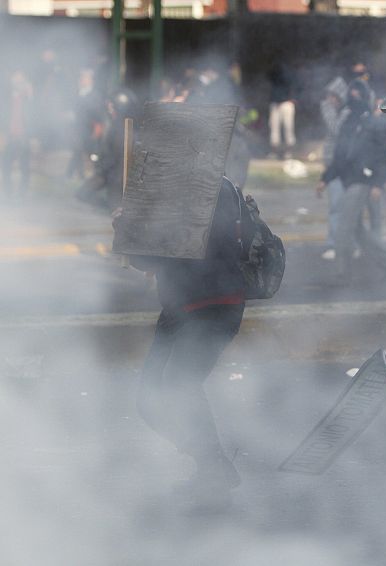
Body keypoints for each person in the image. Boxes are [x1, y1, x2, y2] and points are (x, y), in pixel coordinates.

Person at [112, 176, 246, 508]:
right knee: (151, 397)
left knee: (176, 385)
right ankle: (210, 462)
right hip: (183, 305)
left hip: (208, 305)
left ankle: (212, 467)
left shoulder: (192, 187)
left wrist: (128, 229)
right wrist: (130, 227)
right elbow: (154, 257)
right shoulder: (218, 183)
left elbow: (154, 256)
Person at [317, 79, 386, 285]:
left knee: (343, 228)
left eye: (358, 95)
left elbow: (383, 156)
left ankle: (342, 273)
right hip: (348, 180)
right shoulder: (347, 123)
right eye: (352, 95)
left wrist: (377, 184)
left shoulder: (374, 124)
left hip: (362, 181)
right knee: (357, 230)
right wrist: (325, 179)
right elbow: (340, 155)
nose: (355, 99)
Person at [318, 76, 350, 261]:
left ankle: (347, 243)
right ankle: (333, 243)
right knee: (335, 205)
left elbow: (336, 129)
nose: (329, 100)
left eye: (332, 96)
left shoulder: (345, 112)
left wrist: (327, 110)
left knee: (349, 207)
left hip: (348, 166)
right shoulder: (332, 110)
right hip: (333, 166)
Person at [1, 70, 33, 199]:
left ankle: (22, 194)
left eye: (20, 81)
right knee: (6, 165)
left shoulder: (28, 98)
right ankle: (8, 193)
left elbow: (35, 117)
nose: (17, 83)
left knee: (24, 167)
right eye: (15, 80)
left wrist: (30, 95)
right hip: (9, 136)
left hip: (24, 137)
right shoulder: (5, 97)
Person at [267, 64, 296, 158]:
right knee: (274, 128)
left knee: (288, 127)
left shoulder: (290, 74)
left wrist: (293, 98)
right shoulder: (273, 74)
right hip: (275, 103)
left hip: (286, 103)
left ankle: (289, 153)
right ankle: (274, 153)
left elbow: (296, 86)